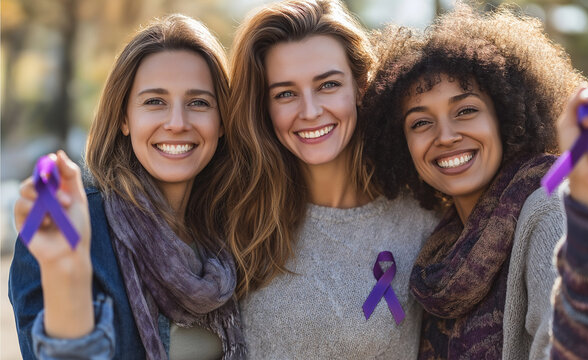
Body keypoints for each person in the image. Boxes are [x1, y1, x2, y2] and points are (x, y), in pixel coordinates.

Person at [363, 5, 588, 359]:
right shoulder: (439, 249)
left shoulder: (548, 209)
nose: (446, 136)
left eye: (465, 110)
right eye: (421, 123)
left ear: (506, 118)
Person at [9, 14, 244, 360]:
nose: (177, 123)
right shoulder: (73, 228)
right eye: (154, 102)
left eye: (199, 103)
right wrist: (66, 272)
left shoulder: (237, 233)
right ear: (123, 118)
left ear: (222, 121)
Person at [221, 0, 438, 358]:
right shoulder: (237, 218)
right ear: (264, 107)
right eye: (285, 94)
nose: (310, 111)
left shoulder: (423, 218)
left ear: (361, 85)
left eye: (328, 85)